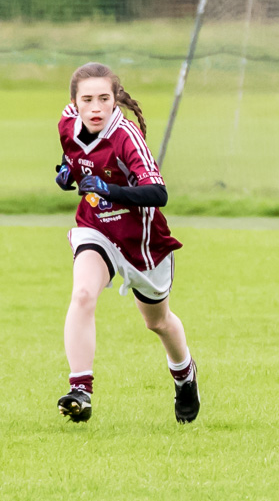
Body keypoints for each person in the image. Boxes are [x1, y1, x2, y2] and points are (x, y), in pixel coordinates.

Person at [54, 62, 199, 425]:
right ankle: (80, 391)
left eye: (104, 98)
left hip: (142, 242)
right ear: (75, 102)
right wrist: (67, 173)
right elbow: (75, 158)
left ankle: (184, 375)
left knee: (158, 322)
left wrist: (111, 191)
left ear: (116, 101)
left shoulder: (126, 136)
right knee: (84, 294)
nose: (96, 108)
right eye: (87, 100)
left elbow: (158, 193)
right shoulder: (67, 124)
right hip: (96, 228)